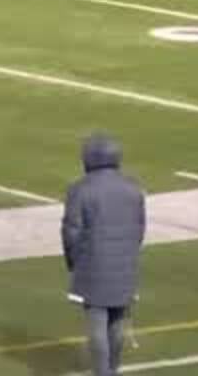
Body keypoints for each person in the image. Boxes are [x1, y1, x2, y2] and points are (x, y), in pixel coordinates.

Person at [61, 133, 146, 376]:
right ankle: (112, 369)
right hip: (125, 262)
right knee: (118, 319)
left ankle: (102, 372)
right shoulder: (133, 188)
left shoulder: (80, 189)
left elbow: (71, 231)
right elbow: (139, 228)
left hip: (92, 264)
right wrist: (130, 253)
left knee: (97, 323)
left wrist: (73, 261)